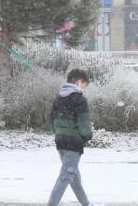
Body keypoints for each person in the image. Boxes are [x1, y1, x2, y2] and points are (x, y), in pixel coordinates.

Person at [48, 68, 95, 206]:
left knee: (73, 177)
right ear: (78, 82)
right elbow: (84, 122)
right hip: (73, 143)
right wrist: (87, 136)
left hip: (61, 141)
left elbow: (52, 120)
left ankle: (86, 203)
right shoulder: (79, 99)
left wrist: (58, 133)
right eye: (84, 85)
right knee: (66, 176)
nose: (84, 88)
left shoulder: (59, 98)